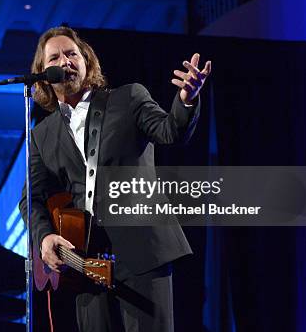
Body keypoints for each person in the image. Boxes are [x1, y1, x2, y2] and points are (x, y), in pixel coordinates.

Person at [19, 26, 211, 332]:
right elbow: (32, 197)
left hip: (144, 250)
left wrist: (186, 99)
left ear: (87, 61)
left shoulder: (128, 98)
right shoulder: (43, 134)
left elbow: (170, 131)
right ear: (43, 73)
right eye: (55, 57)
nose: (65, 61)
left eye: (72, 53)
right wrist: (43, 237)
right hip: (86, 260)